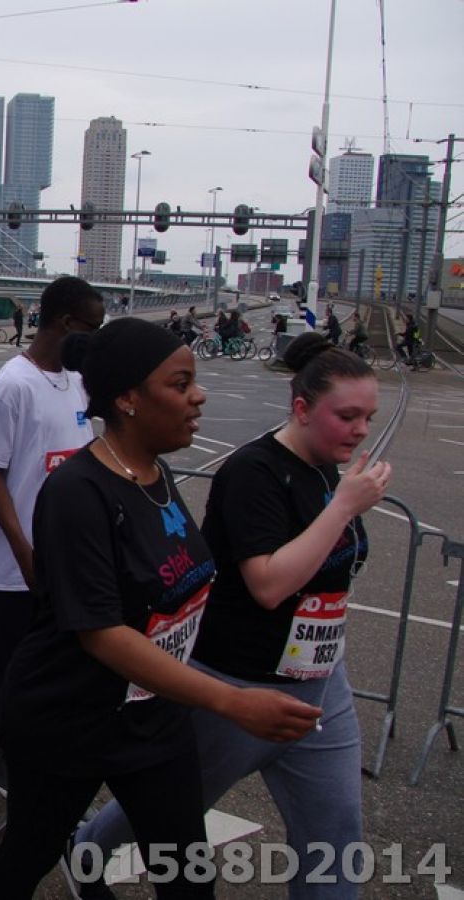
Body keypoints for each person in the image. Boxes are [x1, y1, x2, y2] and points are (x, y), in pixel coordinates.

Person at [0, 318, 320, 899]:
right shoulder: (76, 493)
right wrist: (231, 700)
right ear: (128, 399)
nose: (199, 396)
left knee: (188, 877)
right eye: (181, 384)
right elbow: (102, 633)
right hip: (68, 721)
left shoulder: (154, 473)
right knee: (26, 859)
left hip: (151, 718)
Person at [72, 332, 389, 899]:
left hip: (320, 683)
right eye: (347, 417)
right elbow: (269, 584)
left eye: (368, 418)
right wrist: (344, 508)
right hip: (237, 680)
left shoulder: (327, 469)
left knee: (336, 831)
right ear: (302, 409)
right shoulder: (254, 472)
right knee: (169, 808)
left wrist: (341, 504)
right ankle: (87, 849)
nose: (361, 430)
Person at [0, 276, 102, 796]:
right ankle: (3, 748)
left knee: (54, 666)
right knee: (4, 666)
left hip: (63, 558)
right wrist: (23, 552)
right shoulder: (13, 385)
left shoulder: (78, 382)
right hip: (10, 564)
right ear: (65, 323)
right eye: (91, 327)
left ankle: (42, 747)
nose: (95, 337)